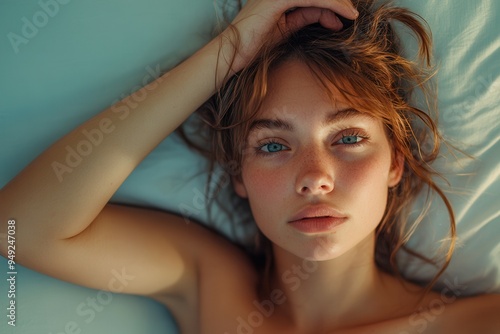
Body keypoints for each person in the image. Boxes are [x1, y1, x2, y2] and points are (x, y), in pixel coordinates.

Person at [0, 0, 498, 333]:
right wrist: (230, 52)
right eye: (273, 145)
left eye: (348, 138)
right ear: (238, 175)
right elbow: (21, 226)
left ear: (396, 162)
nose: (314, 176)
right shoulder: (211, 283)